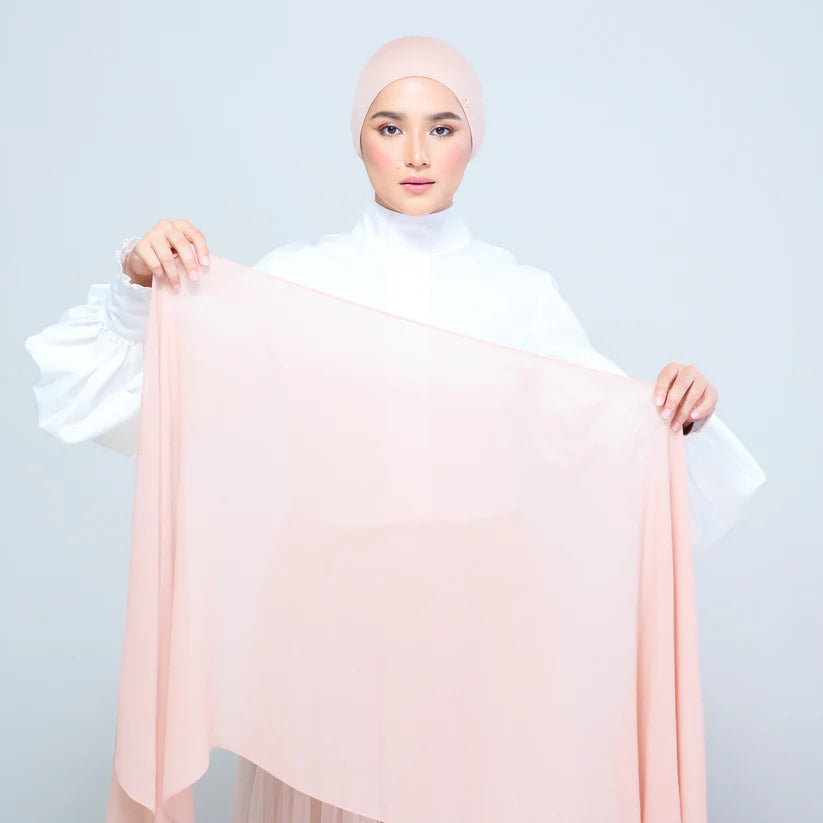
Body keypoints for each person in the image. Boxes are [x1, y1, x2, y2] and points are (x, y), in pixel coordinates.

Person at [23, 36, 765, 822]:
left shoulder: (519, 296)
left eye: (442, 127)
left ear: (473, 140)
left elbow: (612, 447)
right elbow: (151, 390)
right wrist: (140, 286)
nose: (416, 153)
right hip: (329, 616)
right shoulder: (300, 280)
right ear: (359, 139)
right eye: (390, 126)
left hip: (479, 626)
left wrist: (680, 415)